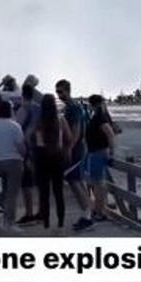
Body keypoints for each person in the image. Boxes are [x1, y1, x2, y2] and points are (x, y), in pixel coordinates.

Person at [55, 78, 94, 231]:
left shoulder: (73, 108)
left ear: (68, 90)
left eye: (61, 92)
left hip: (75, 149)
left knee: (74, 181)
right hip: (77, 148)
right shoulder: (73, 107)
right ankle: (88, 212)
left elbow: (76, 130)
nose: (59, 95)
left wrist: (69, 148)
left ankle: (87, 215)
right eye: (57, 92)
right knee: (77, 180)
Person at [0, 100, 26, 227]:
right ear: (10, 111)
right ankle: (9, 221)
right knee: (12, 193)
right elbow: (20, 146)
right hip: (14, 161)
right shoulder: (15, 126)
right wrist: (25, 156)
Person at [33, 93, 72, 230]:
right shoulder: (60, 120)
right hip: (57, 156)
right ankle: (60, 222)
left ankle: (46, 223)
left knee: (44, 193)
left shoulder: (38, 121)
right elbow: (69, 138)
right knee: (58, 191)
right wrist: (67, 151)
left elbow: (35, 142)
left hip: (42, 157)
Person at [15, 82, 41, 224]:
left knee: (27, 184)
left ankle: (29, 213)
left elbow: (20, 131)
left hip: (27, 150)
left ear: (23, 95)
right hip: (41, 149)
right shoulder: (40, 109)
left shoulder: (23, 109)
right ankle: (41, 212)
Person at [85, 94, 115, 221]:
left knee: (98, 183)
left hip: (99, 152)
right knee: (96, 183)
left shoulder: (99, 118)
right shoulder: (97, 117)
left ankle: (100, 211)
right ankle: (99, 210)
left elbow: (110, 134)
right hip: (95, 151)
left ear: (92, 105)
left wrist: (112, 153)